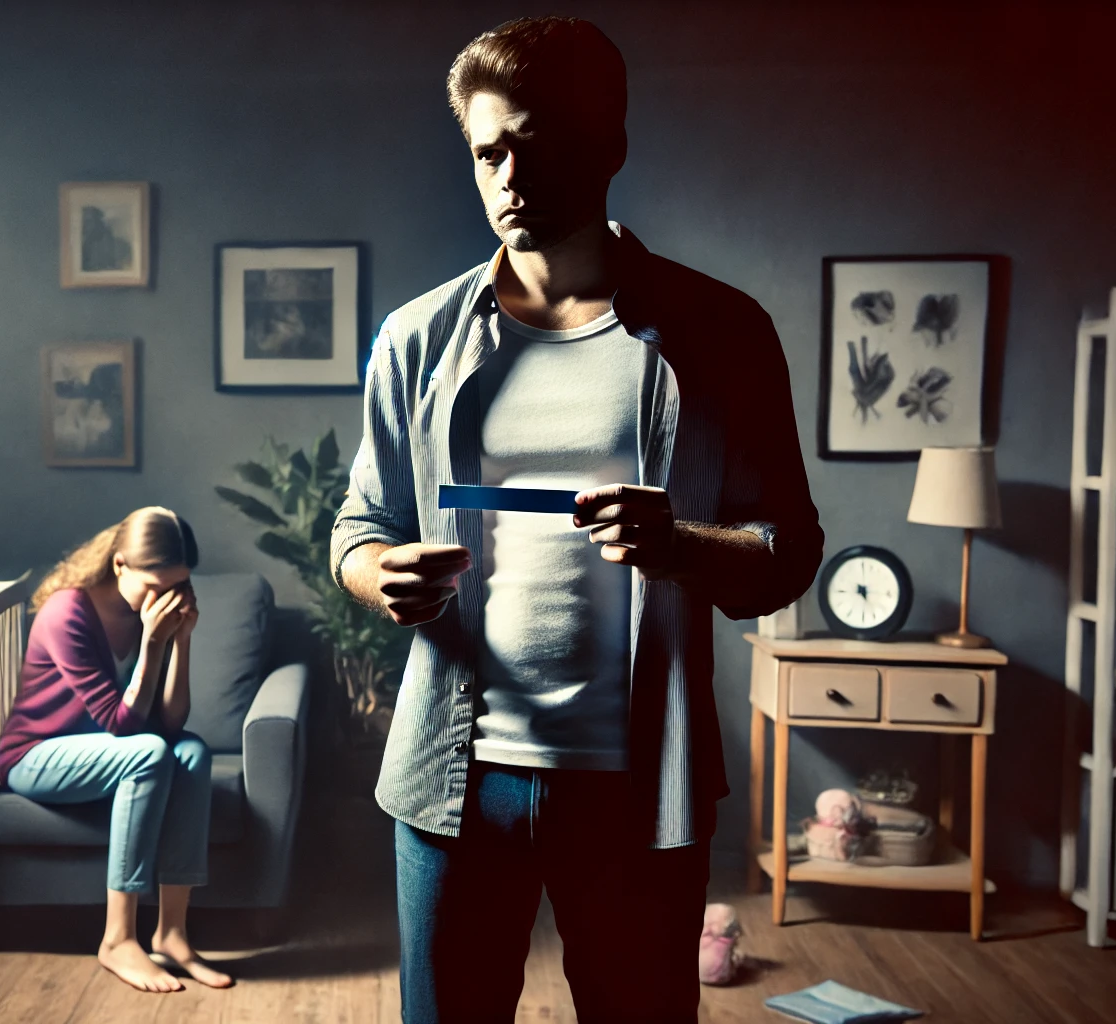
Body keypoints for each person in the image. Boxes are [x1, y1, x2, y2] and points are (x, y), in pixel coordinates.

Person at [331, 17, 823, 1023]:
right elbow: (359, 523)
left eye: (533, 144)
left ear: (609, 145)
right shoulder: (417, 340)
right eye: (486, 151)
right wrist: (379, 573)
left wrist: (680, 544)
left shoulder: (720, 331)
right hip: (450, 782)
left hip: (638, 793)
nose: (507, 175)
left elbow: (788, 552)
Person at [0, 506, 233, 993]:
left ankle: (171, 933)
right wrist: (152, 640)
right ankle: (118, 939)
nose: (166, 597)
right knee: (148, 753)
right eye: (155, 585)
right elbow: (123, 727)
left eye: (178, 585)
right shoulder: (68, 612)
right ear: (120, 565)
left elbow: (169, 722)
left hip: (108, 752)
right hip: (36, 755)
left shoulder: (148, 609)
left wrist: (181, 641)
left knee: (192, 753)